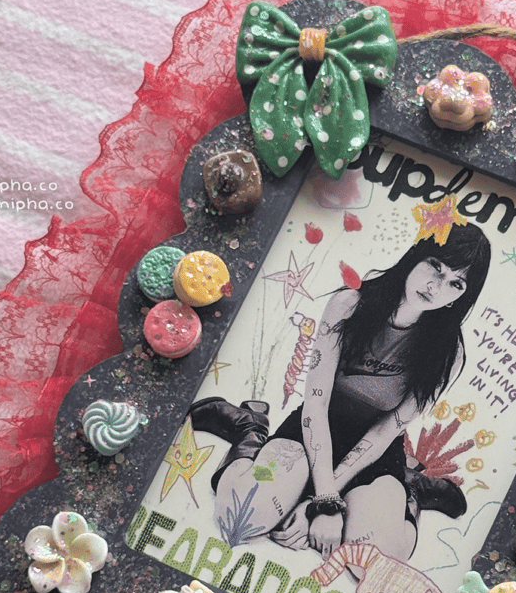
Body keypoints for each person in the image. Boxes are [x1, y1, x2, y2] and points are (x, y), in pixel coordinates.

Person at [190, 219, 491, 560]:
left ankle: (410, 492)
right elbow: (316, 406)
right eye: (435, 266)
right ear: (416, 256)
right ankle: (251, 433)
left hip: (374, 452)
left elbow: (384, 432)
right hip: (310, 431)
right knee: (241, 517)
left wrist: (321, 503)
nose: (436, 286)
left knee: (373, 560)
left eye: (456, 283)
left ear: (461, 297)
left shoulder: (448, 353)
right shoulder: (350, 305)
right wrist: (324, 500)